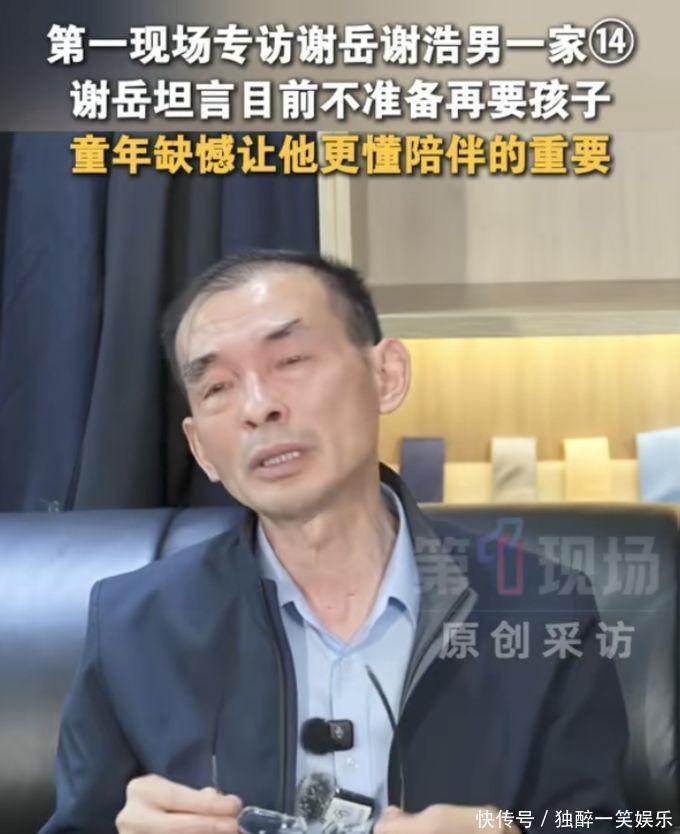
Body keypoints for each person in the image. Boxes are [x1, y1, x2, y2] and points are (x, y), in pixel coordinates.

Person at [41, 250, 628, 834]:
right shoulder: (132, 626)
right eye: (218, 386)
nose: (258, 407)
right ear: (200, 449)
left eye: (291, 360)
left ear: (386, 375)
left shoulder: (542, 606)